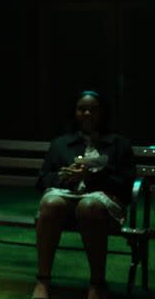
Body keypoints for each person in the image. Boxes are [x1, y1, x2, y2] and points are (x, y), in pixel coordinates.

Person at [32, 90, 135, 299]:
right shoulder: (61, 144)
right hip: (67, 200)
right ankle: (42, 281)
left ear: (103, 113)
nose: (87, 113)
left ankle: (97, 284)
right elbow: (42, 180)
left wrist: (92, 177)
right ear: (75, 113)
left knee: (88, 206)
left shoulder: (118, 144)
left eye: (93, 110)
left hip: (102, 204)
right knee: (51, 203)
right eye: (82, 109)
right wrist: (65, 177)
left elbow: (125, 185)